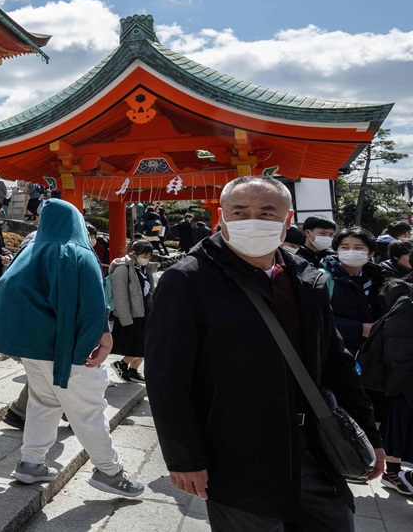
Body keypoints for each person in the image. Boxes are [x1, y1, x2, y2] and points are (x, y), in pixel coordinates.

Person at [146, 176, 384, 530]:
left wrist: (370, 433)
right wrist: (184, 457)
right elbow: (167, 377)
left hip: (315, 449)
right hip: (236, 453)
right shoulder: (188, 280)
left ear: (288, 221)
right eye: (239, 212)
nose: (251, 220)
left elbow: (336, 361)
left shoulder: (307, 279)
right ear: (221, 217)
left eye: (266, 212)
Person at [0, 199, 143, 497]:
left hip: (33, 347)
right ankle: (110, 471)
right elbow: (93, 301)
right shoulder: (78, 252)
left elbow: (3, 288)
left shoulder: (29, 250)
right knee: (89, 410)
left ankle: (31, 462)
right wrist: (104, 337)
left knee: (44, 402)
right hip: (68, 344)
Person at [373, 280, 413, 495]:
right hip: (404, 385)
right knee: (398, 432)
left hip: (403, 383)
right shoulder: (406, 304)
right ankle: (394, 473)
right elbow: (399, 352)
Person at [322, 227, 386, 356]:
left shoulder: (376, 277)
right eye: (345, 247)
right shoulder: (324, 278)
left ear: (371, 253)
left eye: (358, 248)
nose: (351, 252)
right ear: (336, 251)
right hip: (338, 351)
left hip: (371, 350)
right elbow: (318, 318)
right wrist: (359, 329)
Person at [109, 240, 157, 383]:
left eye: (149, 256)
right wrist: (125, 318)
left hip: (144, 311)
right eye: (145, 255)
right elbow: (120, 295)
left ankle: (133, 369)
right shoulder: (122, 268)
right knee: (141, 346)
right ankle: (122, 364)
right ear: (134, 253)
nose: (147, 259)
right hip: (132, 313)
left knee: (147, 345)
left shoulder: (143, 268)